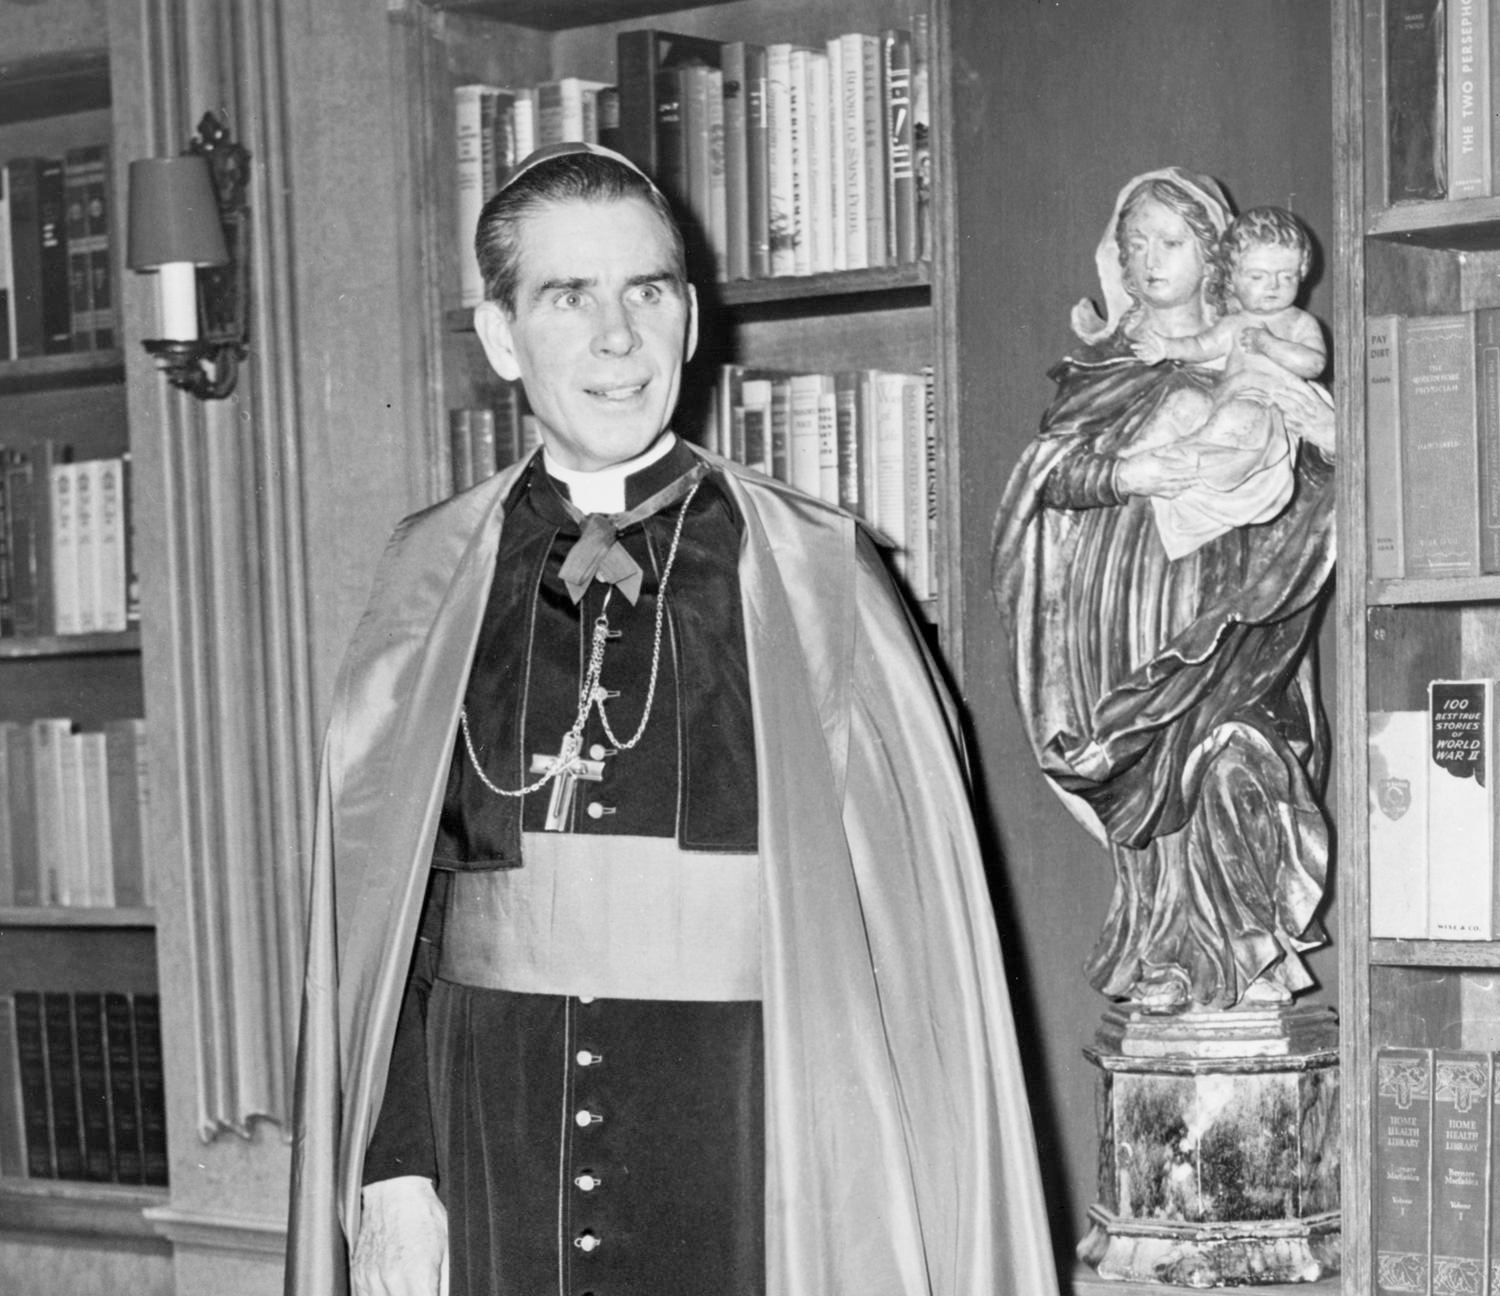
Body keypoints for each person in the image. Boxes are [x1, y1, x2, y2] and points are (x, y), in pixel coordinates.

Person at [285, 141, 1056, 1296]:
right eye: (567, 296)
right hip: (494, 1125)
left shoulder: (816, 572)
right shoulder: (431, 573)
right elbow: (391, 919)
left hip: (750, 1138)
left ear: (690, 319)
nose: (615, 338)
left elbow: (913, 954)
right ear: (502, 337)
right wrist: (396, 1169)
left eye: (646, 292)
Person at [992, 168, 1337, 1017]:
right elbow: (1053, 477)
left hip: (1228, 597)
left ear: (1212, 252)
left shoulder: (1247, 343)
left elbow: (1318, 458)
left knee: (1227, 755)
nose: (1149, 259)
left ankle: (1237, 949)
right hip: (1119, 604)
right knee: (1143, 762)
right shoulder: (1102, 365)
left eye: (1170, 242)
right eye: (1135, 242)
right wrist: (1130, 469)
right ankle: (1162, 949)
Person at [1126, 205, 1329, 559]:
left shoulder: (1298, 323)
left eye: (1286, 277)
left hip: (1263, 406)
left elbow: (1313, 363)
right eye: (1258, 277)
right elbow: (1202, 346)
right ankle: (1139, 453)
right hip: (1223, 397)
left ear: (1302, 273)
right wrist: (1167, 347)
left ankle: (1188, 454)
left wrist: (1271, 344)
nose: (1273, 287)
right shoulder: (1235, 324)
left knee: (1238, 416)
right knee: (1184, 402)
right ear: (1232, 279)